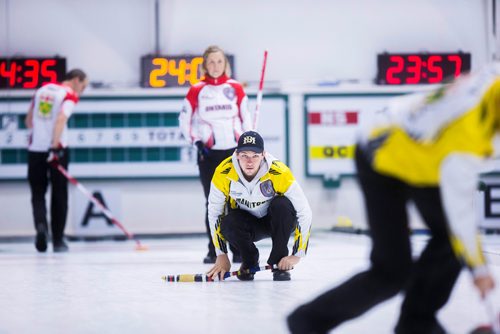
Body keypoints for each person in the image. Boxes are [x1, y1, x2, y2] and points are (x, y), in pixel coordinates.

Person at [288, 64, 499, 333]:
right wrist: (480, 271)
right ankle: (308, 321)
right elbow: (461, 216)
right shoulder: (467, 140)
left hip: (423, 153)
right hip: (381, 158)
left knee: (449, 240)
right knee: (392, 270)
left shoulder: (493, 77)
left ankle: (416, 322)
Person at [179, 45, 253, 264]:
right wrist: (196, 142)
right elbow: (184, 121)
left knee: (236, 202)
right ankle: (215, 250)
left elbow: (245, 118)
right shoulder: (196, 90)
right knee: (213, 203)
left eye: (219, 62)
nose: (215, 66)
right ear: (204, 65)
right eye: (211, 62)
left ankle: (238, 249)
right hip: (208, 154)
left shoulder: (236, 88)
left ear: (225, 64)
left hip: (234, 153)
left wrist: (248, 143)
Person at [205, 131, 312, 281]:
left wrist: (297, 255)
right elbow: (214, 213)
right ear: (236, 154)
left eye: (255, 156)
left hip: (277, 221)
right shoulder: (223, 173)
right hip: (248, 225)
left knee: (282, 204)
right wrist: (221, 254)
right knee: (228, 222)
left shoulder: (279, 172)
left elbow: (304, 211)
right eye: (244, 156)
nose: (250, 161)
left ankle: (279, 262)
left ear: (263, 154)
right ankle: (249, 261)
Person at [25, 69, 88, 253]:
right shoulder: (69, 95)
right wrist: (54, 146)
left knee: (38, 193)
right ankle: (58, 240)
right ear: (76, 80)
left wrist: (40, 137)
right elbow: (61, 119)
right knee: (59, 194)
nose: (81, 92)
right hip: (57, 149)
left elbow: (29, 120)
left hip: (35, 149)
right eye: (83, 87)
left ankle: (41, 227)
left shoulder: (41, 90)